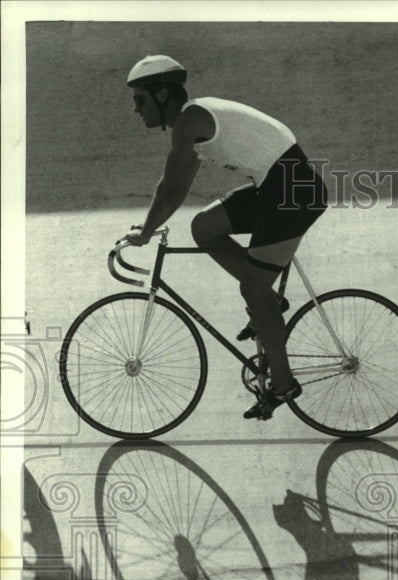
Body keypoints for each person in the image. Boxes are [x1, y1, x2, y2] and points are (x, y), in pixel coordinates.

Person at [123, 55, 328, 419]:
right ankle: (267, 305)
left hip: (294, 191)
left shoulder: (192, 119)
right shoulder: (193, 124)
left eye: (140, 99)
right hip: (277, 187)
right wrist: (148, 226)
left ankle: (283, 384)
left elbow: (173, 186)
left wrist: (147, 232)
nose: (135, 109)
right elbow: (174, 180)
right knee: (204, 227)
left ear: (163, 94)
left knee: (252, 289)